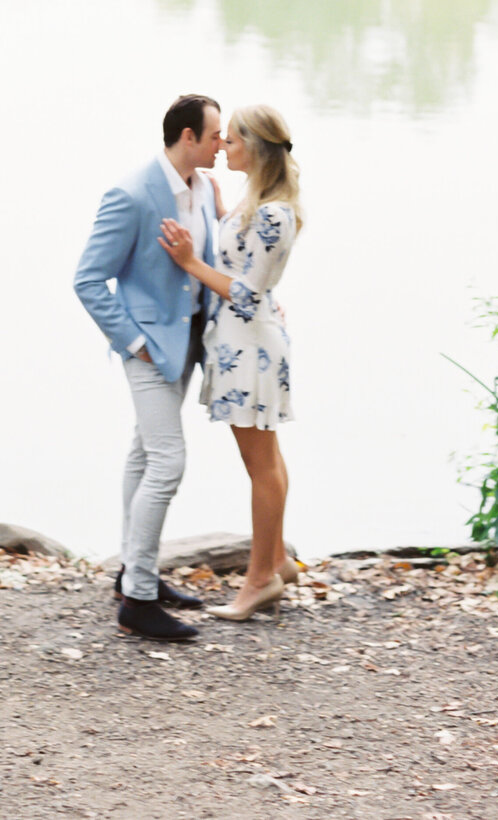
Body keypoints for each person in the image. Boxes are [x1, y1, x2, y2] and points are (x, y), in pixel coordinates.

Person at [73, 93, 223, 643]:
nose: (221, 143)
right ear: (188, 137)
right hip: (149, 351)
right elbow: (88, 278)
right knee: (168, 462)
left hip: (187, 347)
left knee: (142, 453)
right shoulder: (132, 194)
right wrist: (132, 340)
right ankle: (138, 601)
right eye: (215, 136)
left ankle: (135, 574)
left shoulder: (205, 189)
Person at [159, 104, 301, 622]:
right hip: (244, 343)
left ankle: (259, 579)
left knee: (261, 467)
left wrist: (190, 263)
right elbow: (246, 265)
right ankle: (278, 558)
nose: (223, 146)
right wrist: (219, 216)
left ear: (256, 149)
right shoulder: (255, 204)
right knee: (265, 461)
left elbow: (246, 291)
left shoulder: (274, 213)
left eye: (232, 140)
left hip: (251, 347)